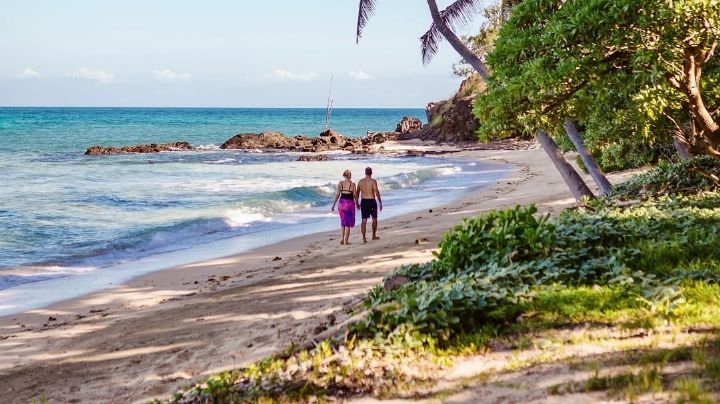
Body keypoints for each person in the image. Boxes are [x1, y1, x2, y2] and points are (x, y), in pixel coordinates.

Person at [331, 169, 357, 245]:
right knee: (348, 223)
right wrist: (358, 204)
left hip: (341, 204)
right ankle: (346, 241)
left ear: (344, 175)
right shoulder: (352, 184)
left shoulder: (340, 183)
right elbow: (355, 196)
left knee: (343, 222)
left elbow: (337, 195)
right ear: (350, 176)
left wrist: (333, 205)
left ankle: (342, 239)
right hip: (349, 205)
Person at [356, 166, 382, 242]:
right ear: (371, 173)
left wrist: (357, 203)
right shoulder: (373, 181)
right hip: (371, 201)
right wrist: (380, 202)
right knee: (374, 219)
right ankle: (373, 235)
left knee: (364, 220)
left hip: (363, 201)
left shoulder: (360, 182)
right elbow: (376, 192)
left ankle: (364, 238)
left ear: (365, 173)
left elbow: (357, 193)